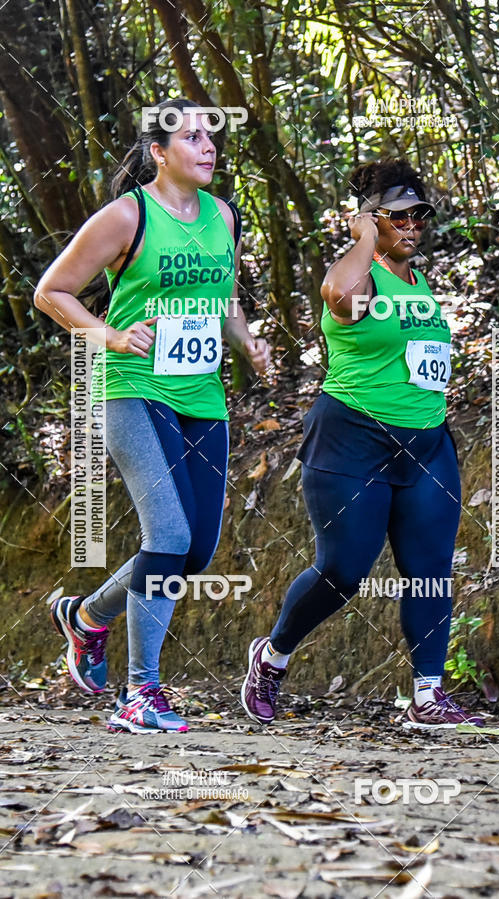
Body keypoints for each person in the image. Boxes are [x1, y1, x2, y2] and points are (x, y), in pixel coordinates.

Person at [34, 98, 269, 733]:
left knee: (194, 554)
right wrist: (108, 335)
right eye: (191, 137)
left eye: (211, 136)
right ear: (158, 154)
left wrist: (245, 340)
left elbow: (226, 295)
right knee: (167, 536)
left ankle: (86, 617)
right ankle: (141, 694)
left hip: (201, 396)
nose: (208, 146)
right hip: (133, 389)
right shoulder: (126, 216)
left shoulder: (222, 215)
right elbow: (51, 291)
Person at [241, 158, 484, 730]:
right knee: (342, 572)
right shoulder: (358, 273)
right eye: (399, 215)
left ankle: (428, 695)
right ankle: (272, 657)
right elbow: (339, 297)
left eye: (419, 214)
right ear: (369, 219)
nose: (413, 224)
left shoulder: (418, 283)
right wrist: (366, 236)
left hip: (425, 446)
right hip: (352, 442)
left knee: (430, 570)